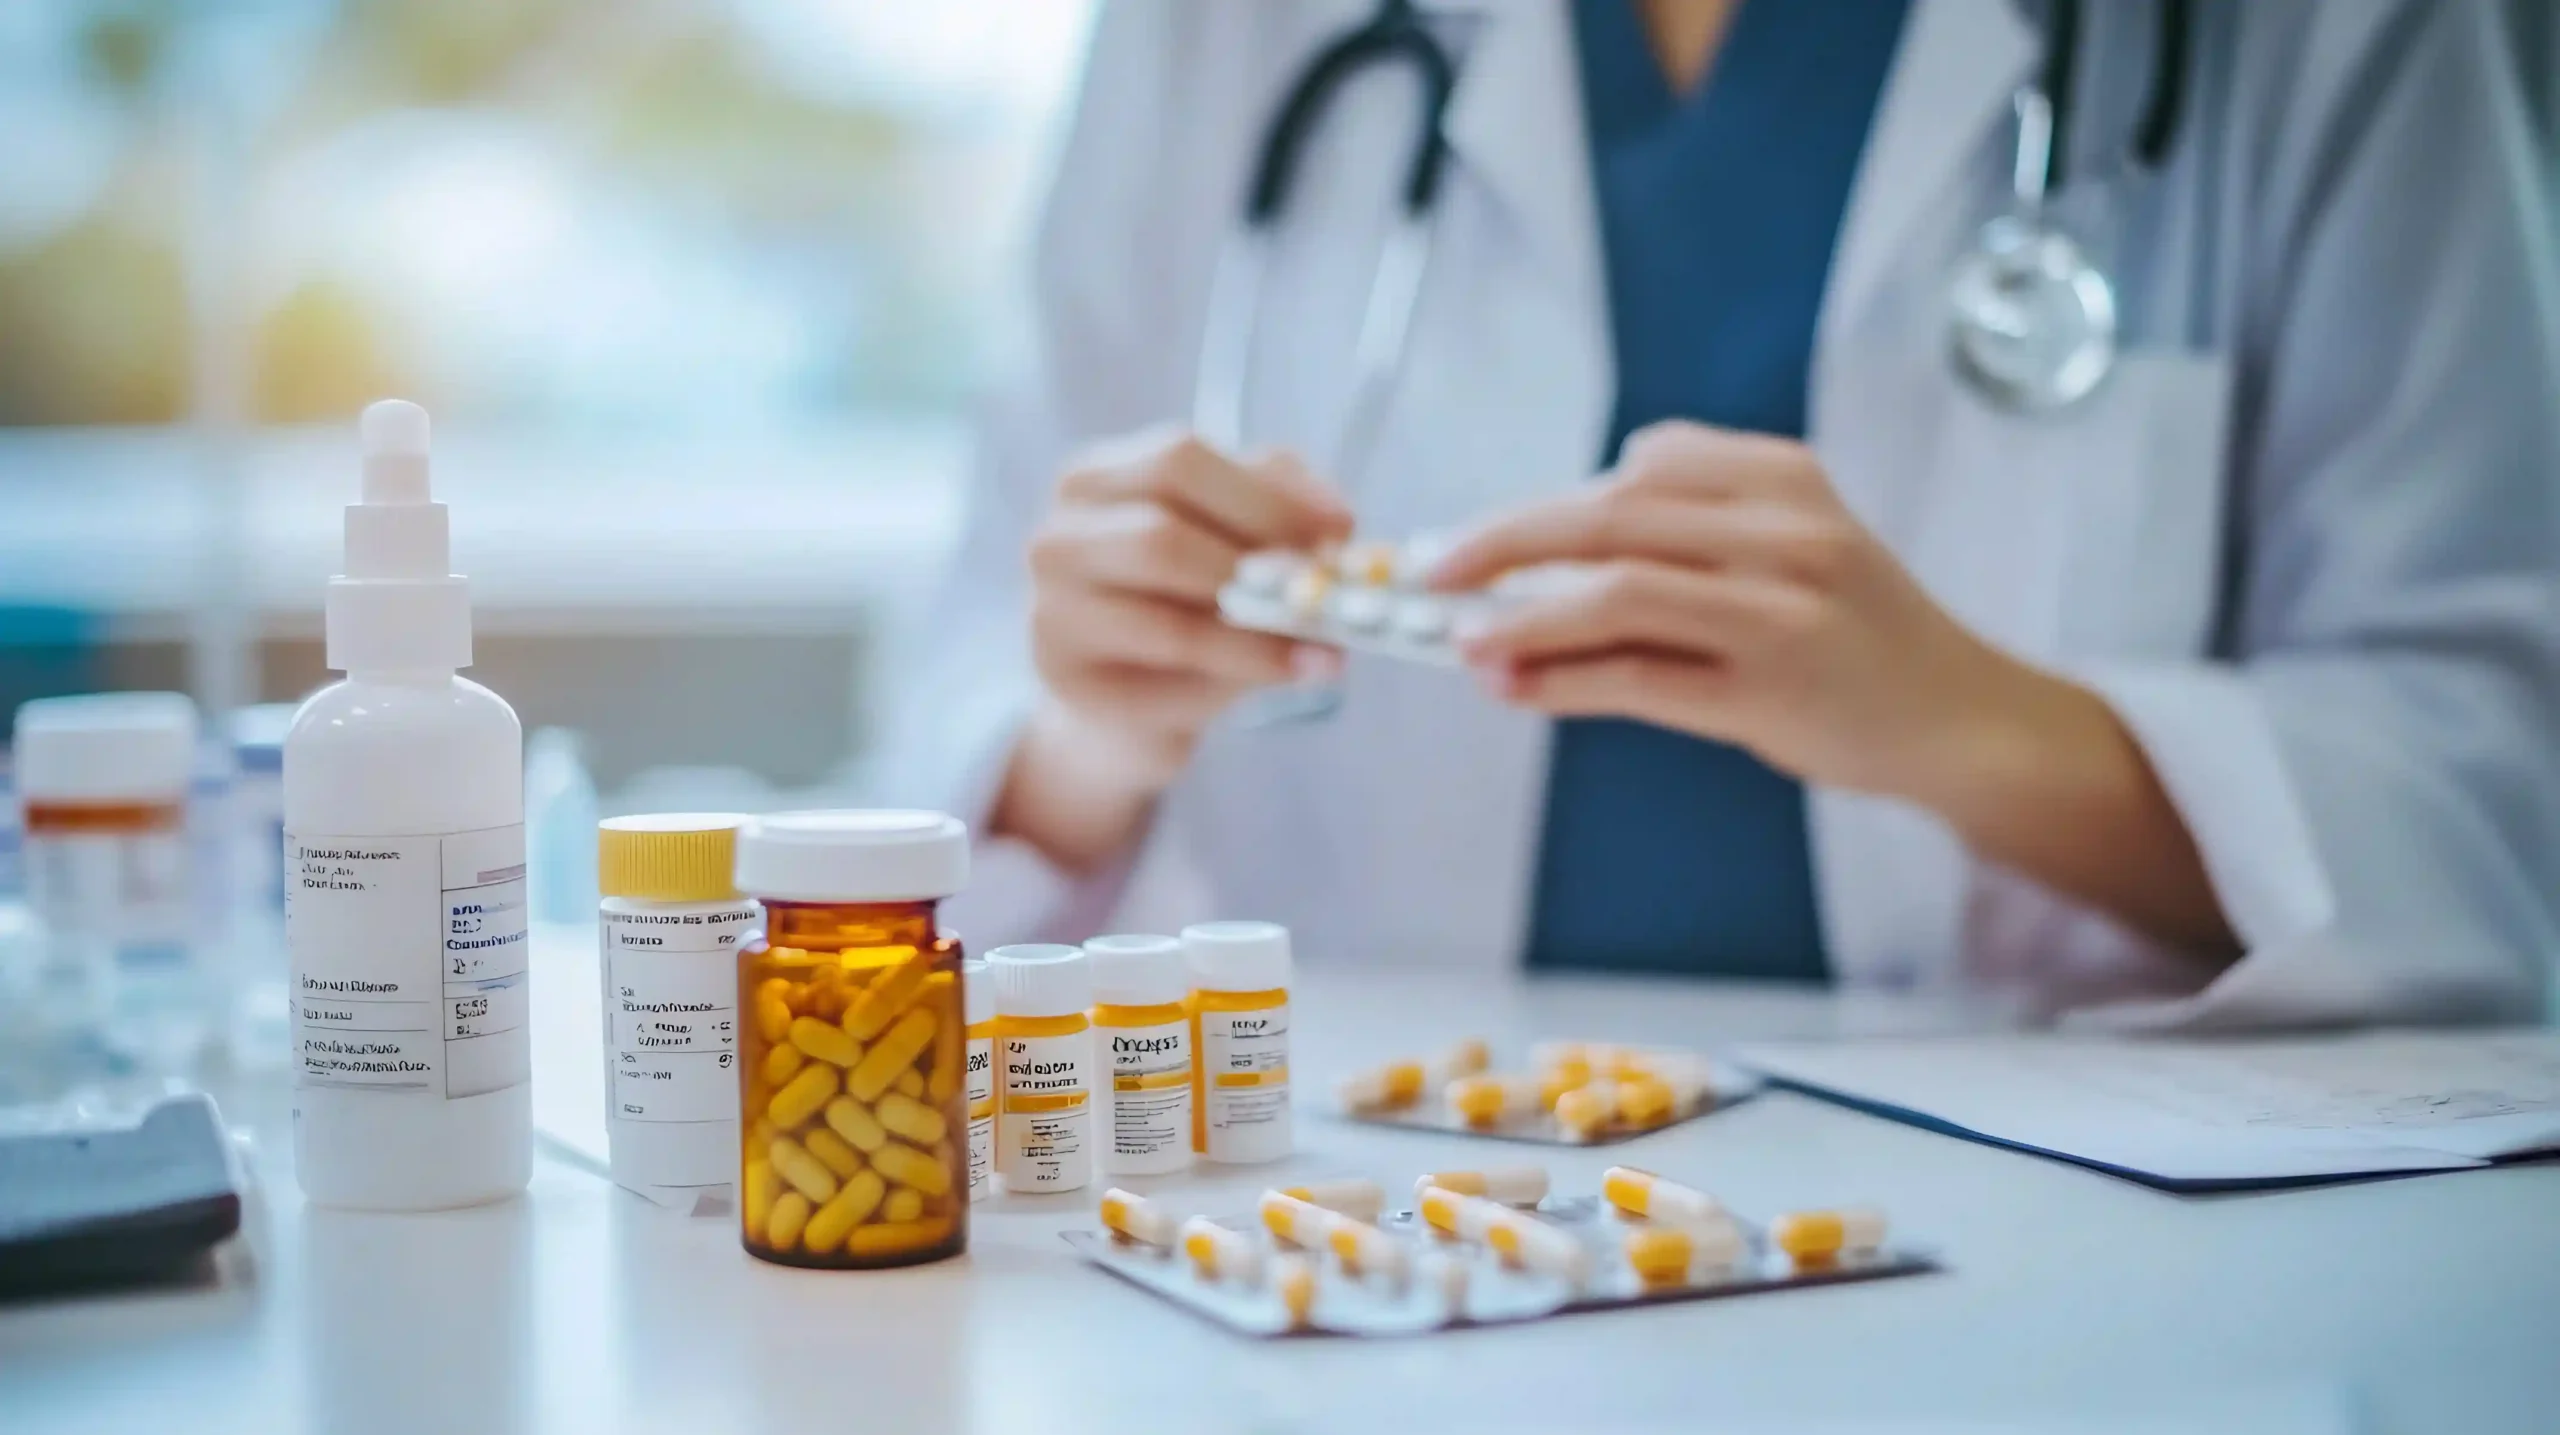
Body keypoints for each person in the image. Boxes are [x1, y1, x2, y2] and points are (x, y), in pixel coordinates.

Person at [885, 0, 2560, 1028]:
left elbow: (2492, 788)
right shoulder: (1223, 25)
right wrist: (1097, 721)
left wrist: (1980, 727)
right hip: (1356, 1220)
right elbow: (952, 729)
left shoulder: (2325, 29)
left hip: (2074, 1265)